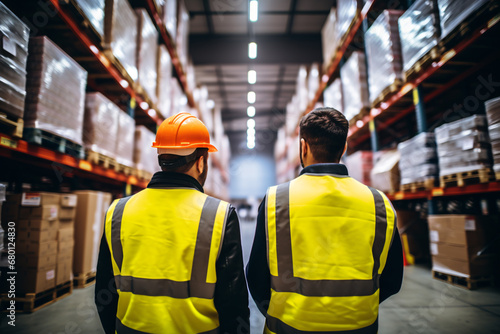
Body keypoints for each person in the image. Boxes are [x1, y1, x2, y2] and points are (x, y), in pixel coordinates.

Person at [246, 107, 403, 333]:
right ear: (344, 147)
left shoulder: (276, 201)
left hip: (289, 326)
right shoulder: (380, 204)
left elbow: (257, 277)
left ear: (303, 146)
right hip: (359, 327)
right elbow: (392, 281)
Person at [95, 112, 250, 334]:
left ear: (161, 158)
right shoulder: (219, 215)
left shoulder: (117, 211)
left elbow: (103, 293)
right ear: (200, 163)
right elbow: (233, 303)